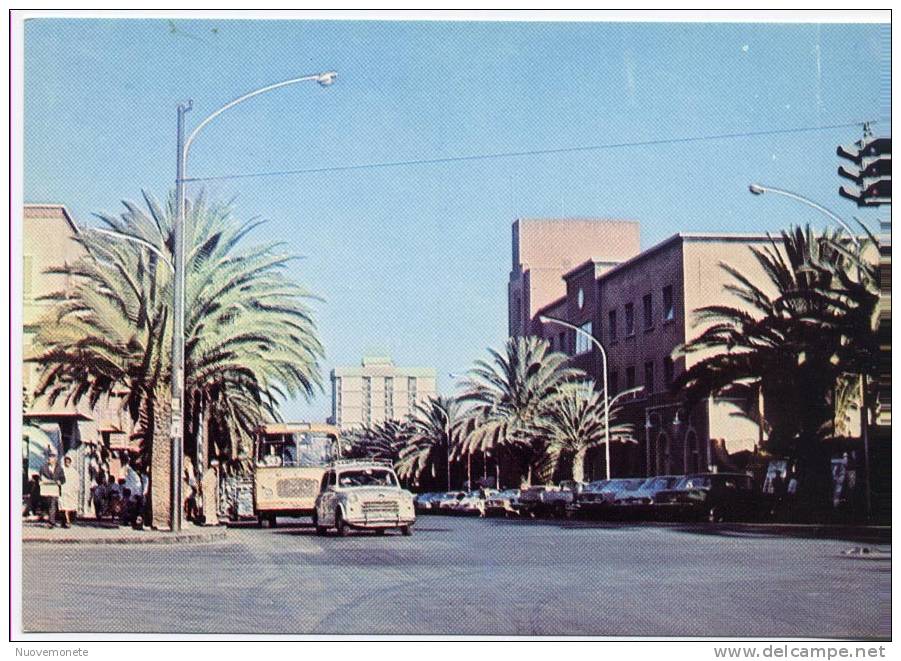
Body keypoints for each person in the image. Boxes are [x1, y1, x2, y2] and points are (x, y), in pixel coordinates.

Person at [39, 449, 65, 528]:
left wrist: (60, 481)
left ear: (55, 459)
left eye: (52, 457)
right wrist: (41, 481)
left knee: (52, 504)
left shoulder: (59, 468)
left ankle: (51, 522)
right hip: (46, 489)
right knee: (48, 504)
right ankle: (55, 519)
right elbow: (40, 477)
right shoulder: (43, 467)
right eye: (49, 457)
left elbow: (63, 478)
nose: (50, 459)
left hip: (54, 489)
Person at [59, 455, 79, 528]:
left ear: (70, 463)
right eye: (66, 462)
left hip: (71, 492)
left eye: (68, 462)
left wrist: (76, 489)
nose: (67, 463)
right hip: (63, 491)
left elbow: (77, 482)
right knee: (64, 508)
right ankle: (67, 521)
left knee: (69, 508)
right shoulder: (62, 470)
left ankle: (66, 521)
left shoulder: (74, 472)